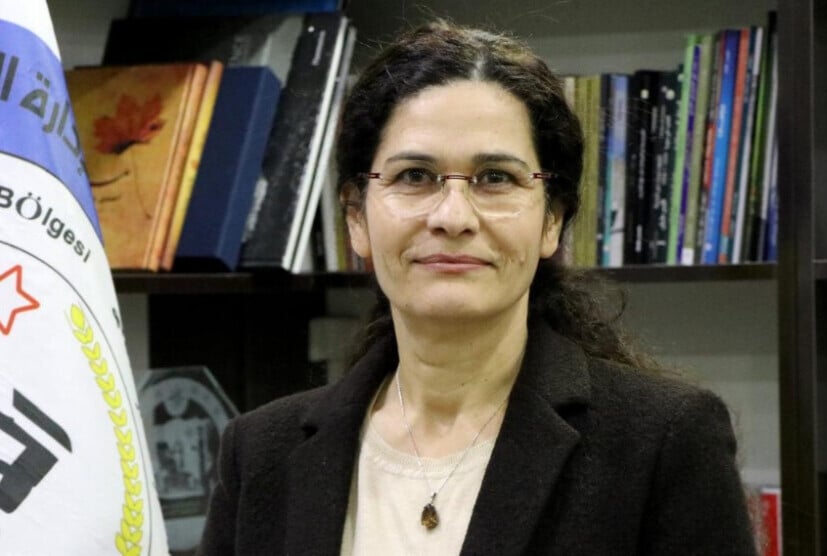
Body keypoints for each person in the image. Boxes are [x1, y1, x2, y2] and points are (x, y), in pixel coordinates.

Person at [198, 20, 758, 556]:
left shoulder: (663, 441)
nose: (453, 216)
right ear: (356, 217)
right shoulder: (259, 453)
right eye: (414, 176)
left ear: (552, 221)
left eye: (496, 178)